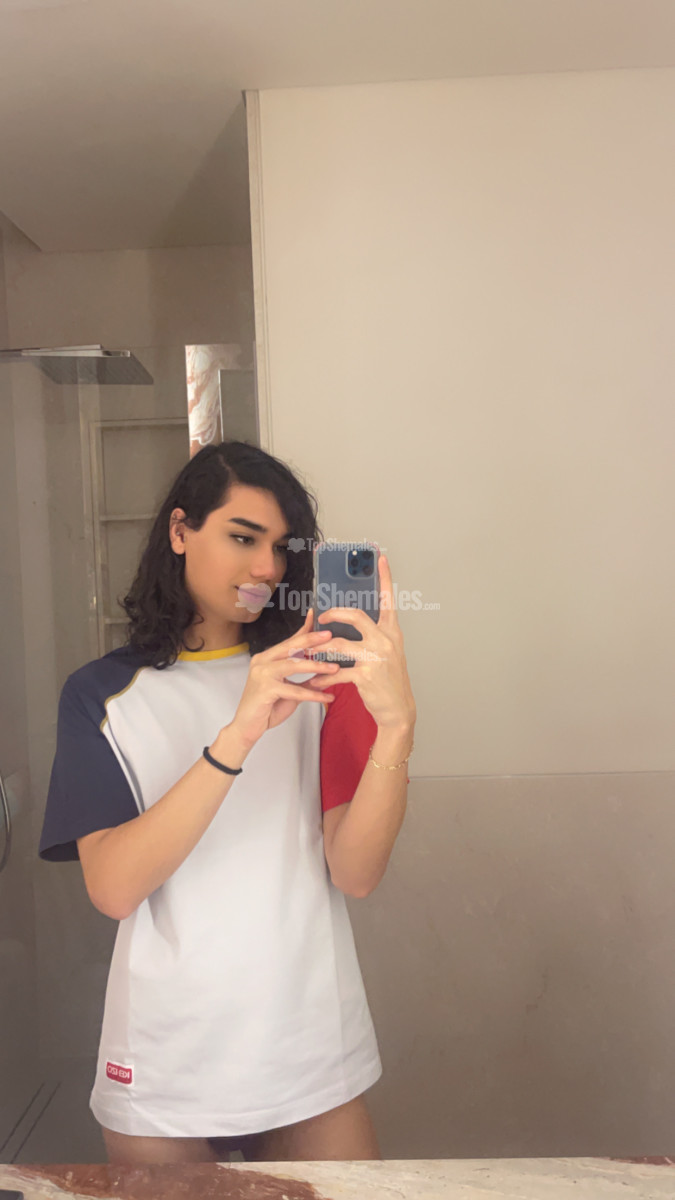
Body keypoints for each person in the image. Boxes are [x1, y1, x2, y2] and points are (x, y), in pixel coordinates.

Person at [38, 440, 415, 1163]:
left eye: (280, 548)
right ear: (181, 531)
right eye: (243, 538)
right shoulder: (101, 696)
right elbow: (113, 887)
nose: (267, 567)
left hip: (308, 1043)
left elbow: (356, 872)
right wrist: (238, 735)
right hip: (165, 1053)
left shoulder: (323, 680)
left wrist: (397, 723)